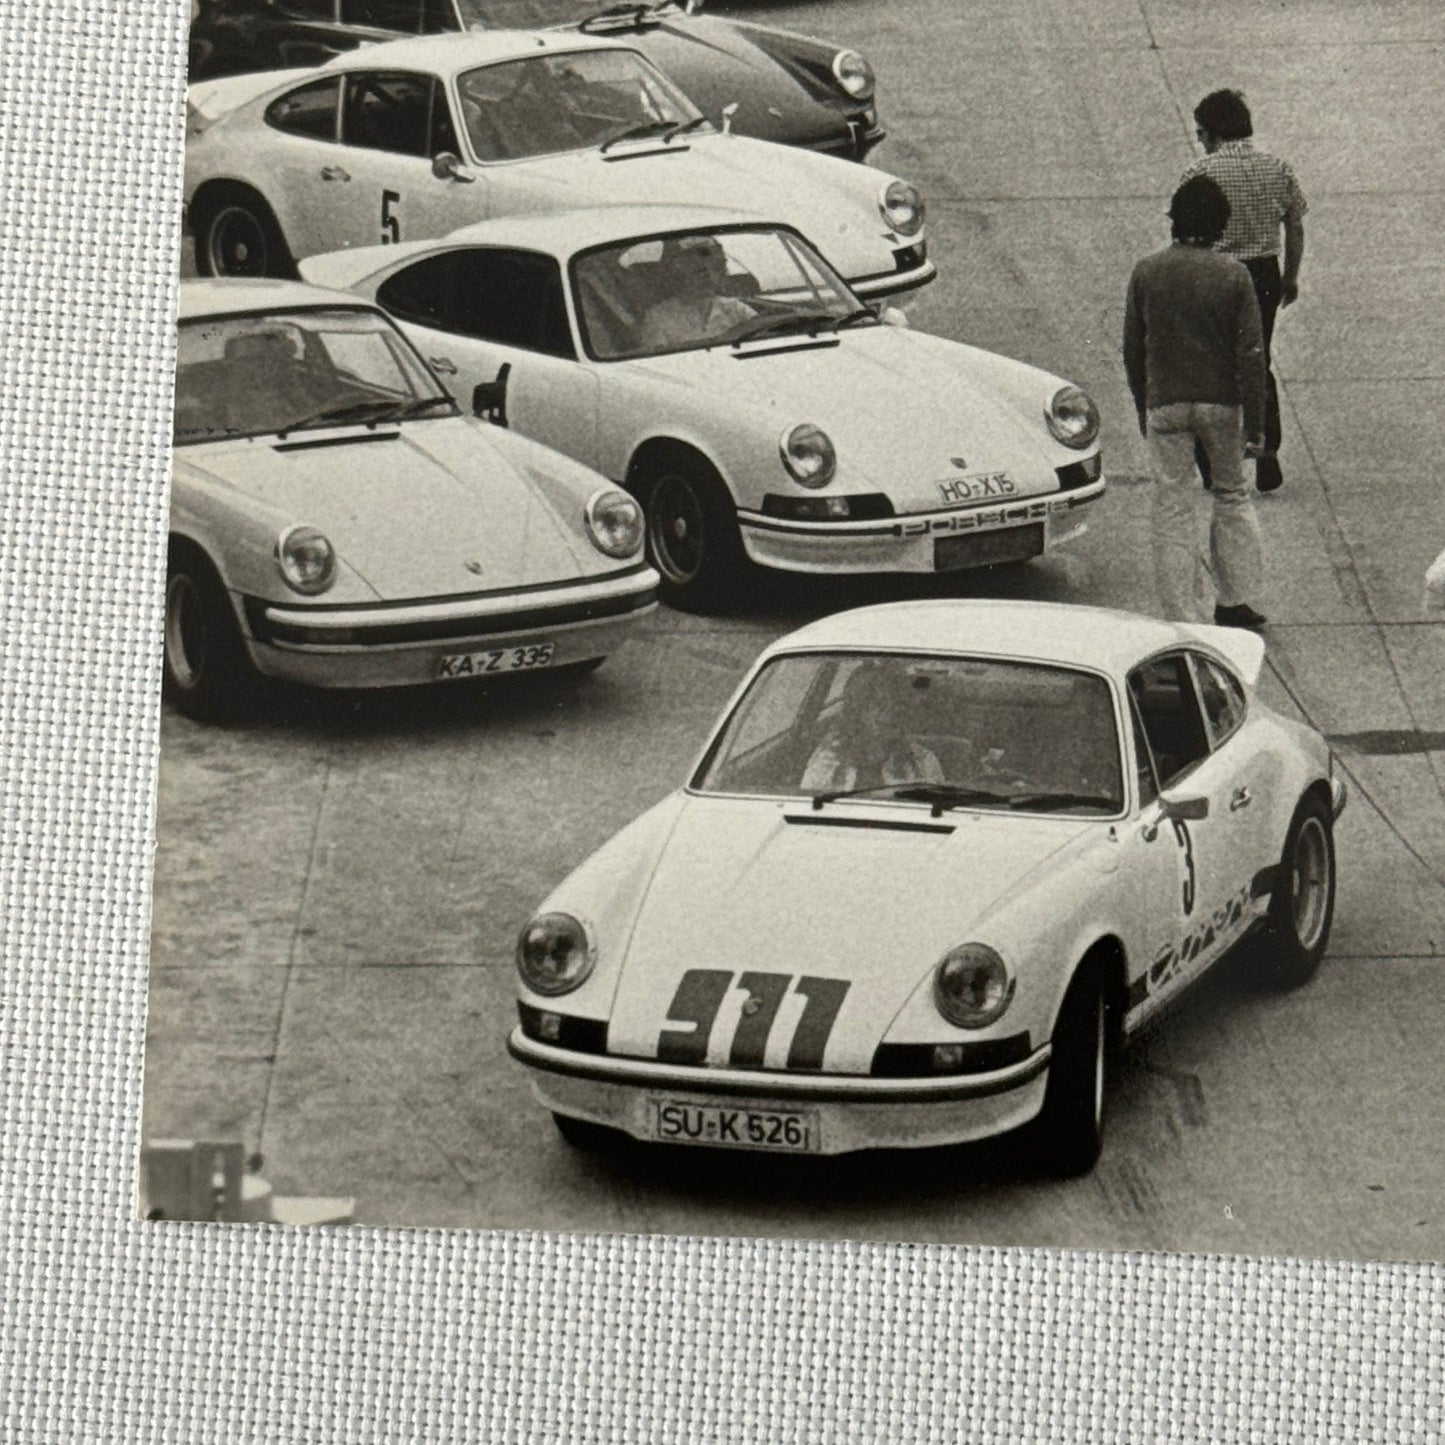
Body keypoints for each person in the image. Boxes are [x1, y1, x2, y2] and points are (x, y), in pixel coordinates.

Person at [1124, 175, 1270, 630]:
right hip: (1221, 404)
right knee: (1230, 494)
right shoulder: (1233, 275)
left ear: (1174, 220)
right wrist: (1257, 423)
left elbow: (1132, 347)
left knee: (1172, 502)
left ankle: (1180, 614)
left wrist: (1142, 403)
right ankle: (1234, 600)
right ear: (1219, 227)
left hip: (1165, 402)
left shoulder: (1147, 271)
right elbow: (1251, 354)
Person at [1180, 88, 1307, 491]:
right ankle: (1267, 451)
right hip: (1263, 275)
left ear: (1215, 133)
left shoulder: (1200, 174)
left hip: (1214, 275)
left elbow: (1185, 232)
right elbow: (1295, 224)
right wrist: (1290, 276)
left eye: (1201, 133)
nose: (1199, 141)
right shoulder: (1278, 167)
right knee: (1257, 359)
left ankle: (1211, 460)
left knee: (1208, 365)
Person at [801, 665, 944, 793]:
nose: (890, 713)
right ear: (858, 712)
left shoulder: (922, 763)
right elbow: (807, 808)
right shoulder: (828, 762)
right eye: (879, 705)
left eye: (897, 704)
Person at [634, 236, 754, 353]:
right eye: (700, 272)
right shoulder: (658, 318)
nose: (710, 277)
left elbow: (762, 330)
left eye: (715, 269)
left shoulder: (735, 308)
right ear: (678, 274)